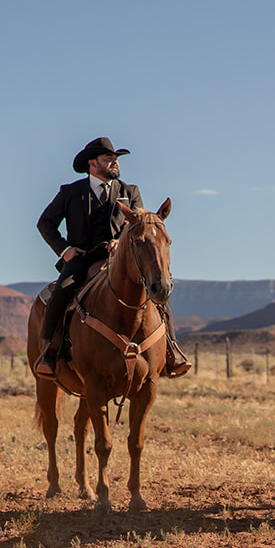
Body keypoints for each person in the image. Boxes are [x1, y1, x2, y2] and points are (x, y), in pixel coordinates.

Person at [34, 136, 191, 378]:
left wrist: (121, 240)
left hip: (122, 259)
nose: (115, 163)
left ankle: (171, 351)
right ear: (92, 163)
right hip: (81, 259)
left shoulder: (130, 192)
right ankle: (50, 352)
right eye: (109, 159)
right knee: (62, 291)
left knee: (158, 291)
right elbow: (45, 223)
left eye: (116, 159)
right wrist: (65, 250)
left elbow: (138, 224)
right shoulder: (70, 192)